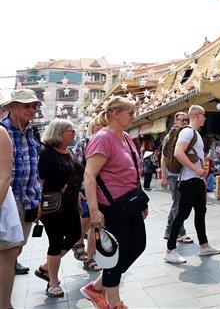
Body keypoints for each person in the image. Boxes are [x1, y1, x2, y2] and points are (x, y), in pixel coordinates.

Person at [82, 97, 149, 309]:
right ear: (114, 114)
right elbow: (90, 174)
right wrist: (94, 210)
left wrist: (141, 201)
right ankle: (113, 302)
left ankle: (98, 286)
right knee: (114, 255)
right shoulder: (103, 138)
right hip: (111, 207)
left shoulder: (126, 137)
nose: (133, 116)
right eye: (130, 112)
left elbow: (133, 172)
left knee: (138, 245)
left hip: (130, 204)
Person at [164, 105, 220, 264]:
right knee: (182, 215)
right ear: (197, 115)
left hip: (196, 181)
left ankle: (204, 246)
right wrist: (196, 170)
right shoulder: (188, 131)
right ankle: (170, 250)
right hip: (188, 180)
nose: (205, 118)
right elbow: (178, 152)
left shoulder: (195, 133)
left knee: (200, 212)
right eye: (204, 115)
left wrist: (200, 176)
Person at [36, 118, 84, 298]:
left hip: (70, 204)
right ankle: (53, 282)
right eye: (70, 131)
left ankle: (45, 268)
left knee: (74, 236)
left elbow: (74, 178)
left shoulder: (69, 153)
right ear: (59, 133)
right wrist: (38, 206)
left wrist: (78, 197)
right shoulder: (47, 154)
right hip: (52, 205)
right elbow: (40, 182)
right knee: (55, 242)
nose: (74, 134)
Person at [0, 89, 42, 280]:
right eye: (27, 105)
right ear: (12, 107)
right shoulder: (2, 130)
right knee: (6, 250)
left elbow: (35, 169)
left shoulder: (33, 131)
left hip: (29, 199)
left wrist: (38, 199)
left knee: (18, 247)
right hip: (7, 199)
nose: (32, 110)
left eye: (34, 106)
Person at [72, 116, 103, 272]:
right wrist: (78, 190)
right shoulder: (84, 143)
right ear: (93, 127)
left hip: (104, 191)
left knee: (94, 225)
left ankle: (90, 258)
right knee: (87, 220)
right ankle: (77, 242)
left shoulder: (109, 141)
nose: (101, 128)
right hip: (86, 187)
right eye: (98, 125)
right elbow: (77, 169)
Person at [160, 112, 193, 244]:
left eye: (186, 120)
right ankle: (180, 232)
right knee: (178, 204)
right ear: (176, 121)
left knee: (176, 203)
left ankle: (168, 231)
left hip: (180, 174)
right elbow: (163, 157)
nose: (185, 122)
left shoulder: (185, 135)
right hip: (174, 175)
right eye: (182, 120)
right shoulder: (171, 136)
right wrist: (163, 176)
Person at [0, 125, 18, 308]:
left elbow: (4, 176)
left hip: (2, 199)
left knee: (8, 252)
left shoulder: (1, 133)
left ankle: (5, 304)